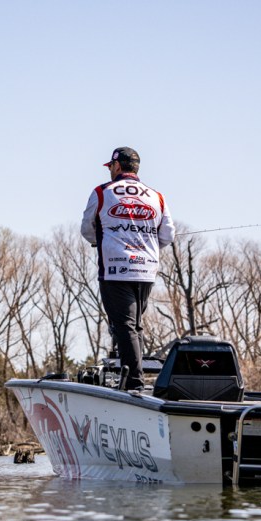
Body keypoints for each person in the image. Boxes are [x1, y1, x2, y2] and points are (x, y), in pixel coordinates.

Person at [81, 147, 175, 390]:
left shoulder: (102, 192)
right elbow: (168, 235)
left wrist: (101, 240)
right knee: (135, 325)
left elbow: (87, 229)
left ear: (117, 166)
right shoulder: (156, 196)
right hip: (146, 270)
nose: (110, 171)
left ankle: (134, 383)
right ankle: (131, 377)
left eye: (110, 167)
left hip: (115, 268)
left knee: (124, 326)